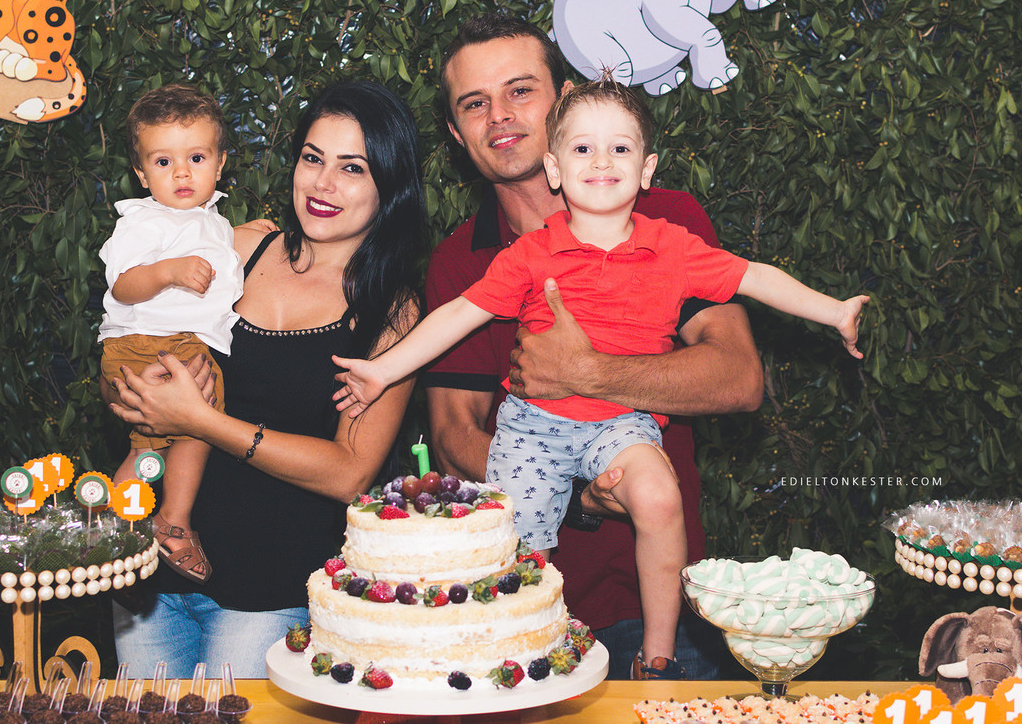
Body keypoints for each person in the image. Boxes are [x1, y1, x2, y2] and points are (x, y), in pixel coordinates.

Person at [333, 75, 868, 679]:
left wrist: (834, 311)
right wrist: (382, 371)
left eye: (620, 148)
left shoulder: (674, 246)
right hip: (533, 428)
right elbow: (460, 314)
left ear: (647, 169)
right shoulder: (530, 253)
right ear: (555, 169)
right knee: (521, 551)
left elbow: (756, 277)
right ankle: (521, 652)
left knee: (659, 496)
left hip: (622, 425)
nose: (602, 161)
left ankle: (658, 657)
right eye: (584, 148)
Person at [421, 14, 764, 681]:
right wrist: (576, 493)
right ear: (457, 134)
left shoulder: (666, 219)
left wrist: (590, 371)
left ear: (565, 98)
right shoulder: (459, 261)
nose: (500, 116)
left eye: (521, 91)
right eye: (474, 103)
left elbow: (738, 376)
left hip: (662, 605)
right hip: (526, 604)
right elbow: (451, 433)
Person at [104, 79, 427, 678]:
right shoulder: (235, 247)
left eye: (352, 168)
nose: (323, 184)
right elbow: (132, 336)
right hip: (148, 573)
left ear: (390, 183)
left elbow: (350, 473)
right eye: (312, 158)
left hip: (270, 590)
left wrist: (202, 421)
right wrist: (131, 395)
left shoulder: (394, 312)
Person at [98, 83, 242, 585]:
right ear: (142, 174)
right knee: (197, 425)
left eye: (196, 158)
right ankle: (169, 521)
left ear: (220, 164)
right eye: (163, 162)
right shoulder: (145, 222)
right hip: (151, 341)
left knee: (156, 445)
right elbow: (124, 285)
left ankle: (115, 521)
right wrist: (167, 272)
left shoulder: (212, 221)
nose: (181, 173)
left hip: (173, 343)